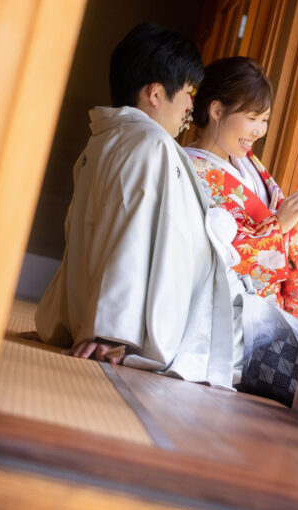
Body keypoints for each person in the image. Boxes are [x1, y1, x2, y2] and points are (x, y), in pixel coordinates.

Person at [35, 23, 240, 388]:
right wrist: (112, 330)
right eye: (189, 92)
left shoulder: (100, 142)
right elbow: (133, 231)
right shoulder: (152, 144)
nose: (192, 105)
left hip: (97, 312)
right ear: (156, 93)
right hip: (147, 324)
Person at [183, 57, 298, 329]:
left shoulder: (249, 163)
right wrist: (278, 226)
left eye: (265, 119)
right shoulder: (190, 170)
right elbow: (208, 256)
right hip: (234, 321)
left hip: (271, 314)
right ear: (217, 110)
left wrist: (296, 223)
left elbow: (270, 222)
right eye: (252, 118)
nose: (259, 131)